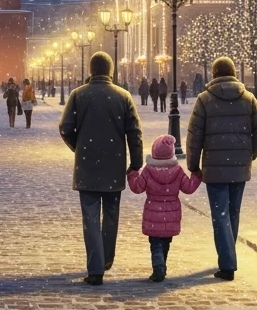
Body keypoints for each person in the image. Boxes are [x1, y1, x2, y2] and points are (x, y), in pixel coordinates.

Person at [59, 51, 144, 286]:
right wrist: (135, 162)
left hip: (87, 165)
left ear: (90, 70)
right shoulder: (123, 96)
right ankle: (106, 258)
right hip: (113, 164)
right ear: (110, 71)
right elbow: (134, 132)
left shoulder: (78, 95)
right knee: (111, 214)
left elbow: (65, 128)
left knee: (90, 217)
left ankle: (95, 268)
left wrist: (80, 148)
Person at [186, 56, 257, 281]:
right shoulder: (248, 98)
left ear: (214, 74)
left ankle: (228, 263)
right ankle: (229, 256)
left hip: (215, 168)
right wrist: (249, 155)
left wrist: (193, 165)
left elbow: (194, 136)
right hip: (239, 168)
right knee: (232, 212)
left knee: (220, 214)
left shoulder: (204, 100)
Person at [127, 133, 202, 282]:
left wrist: (132, 174)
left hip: (153, 214)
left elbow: (137, 187)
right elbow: (188, 188)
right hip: (171, 214)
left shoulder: (148, 170)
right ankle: (162, 265)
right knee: (166, 241)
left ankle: (158, 267)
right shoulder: (177, 170)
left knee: (155, 243)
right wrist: (196, 176)